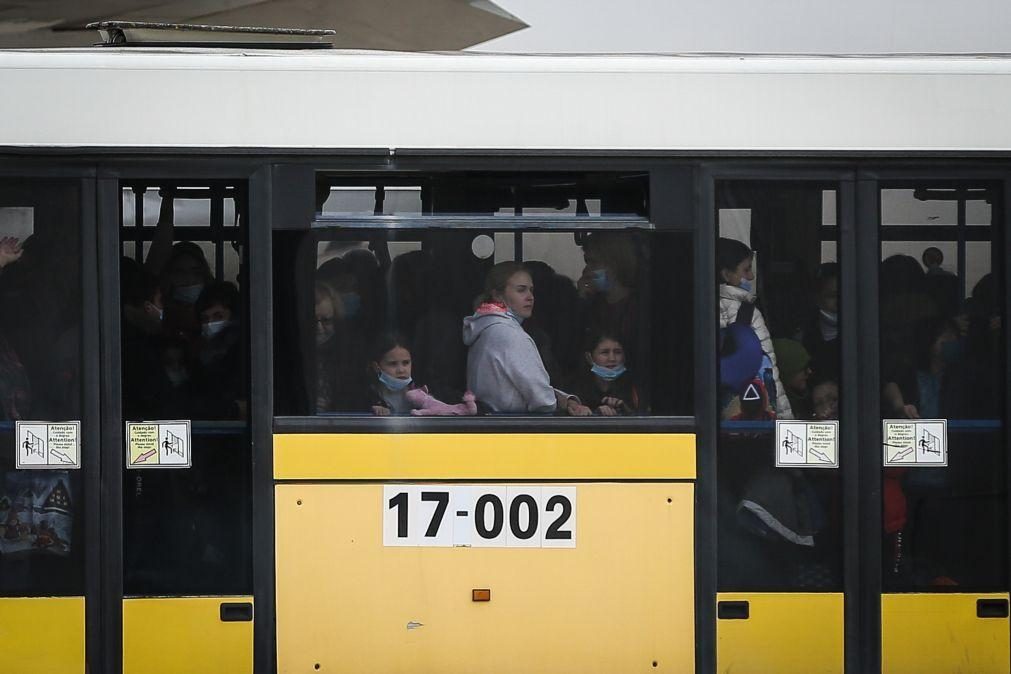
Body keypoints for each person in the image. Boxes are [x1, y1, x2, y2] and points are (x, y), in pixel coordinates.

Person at [463, 262, 586, 415]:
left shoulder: (484, 327)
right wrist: (561, 403)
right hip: (515, 428)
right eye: (521, 290)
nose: (530, 297)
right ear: (498, 295)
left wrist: (564, 399)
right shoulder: (511, 335)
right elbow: (543, 400)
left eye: (531, 290)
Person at [718, 237, 793, 419]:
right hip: (747, 418)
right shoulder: (749, 313)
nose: (751, 277)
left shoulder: (693, 308)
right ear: (726, 274)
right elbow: (769, 372)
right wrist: (787, 421)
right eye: (746, 269)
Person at [567, 333, 643, 416]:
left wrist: (624, 409)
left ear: (624, 357)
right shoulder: (574, 388)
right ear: (589, 357)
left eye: (617, 352)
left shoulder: (634, 387)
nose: (612, 358)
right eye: (605, 352)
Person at [367, 333, 417, 416]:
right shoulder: (369, 394)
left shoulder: (420, 392)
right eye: (393, 364)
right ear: (376, 367)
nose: (401, 370)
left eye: (406, 363)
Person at [772, 338, 812, 420]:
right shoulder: (774, 410)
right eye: (803, 369)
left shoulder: (803, 401)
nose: (809, 371)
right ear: (787, 373)